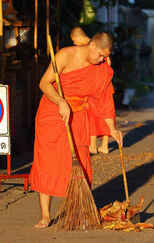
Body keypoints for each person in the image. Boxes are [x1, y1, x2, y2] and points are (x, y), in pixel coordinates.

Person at [30, 32, 123, 228]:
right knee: (47, 162)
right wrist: (60, 102)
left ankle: (78, 210)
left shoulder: (101, 68)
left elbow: (105, 99)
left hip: (78, 116)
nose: (102, 60)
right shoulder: (65, 55)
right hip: (52, 113)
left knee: (79, 163)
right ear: (92, 45)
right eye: (100, 55)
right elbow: (44, 83)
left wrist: (112, 128)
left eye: (105, 56)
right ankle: (45, 215)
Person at [70, 27, 114, 154]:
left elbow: (107, 66)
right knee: (99, 116)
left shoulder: (95, 49)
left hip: (98, 87)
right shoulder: (89, 49)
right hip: (96, 86)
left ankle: (94, 146)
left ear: (79, 37)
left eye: (74, 40)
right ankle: (102, 145)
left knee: (95, 116)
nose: (74, 43)